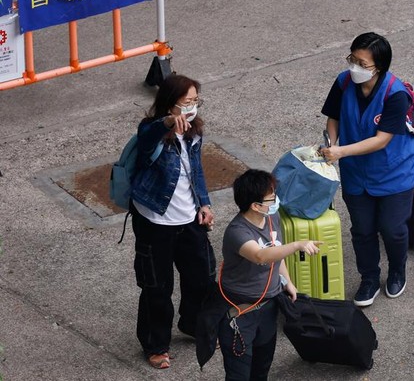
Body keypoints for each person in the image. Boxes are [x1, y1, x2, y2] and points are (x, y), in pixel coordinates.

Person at [320, 32, 414, 307]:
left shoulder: (396, 94)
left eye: (362, 64)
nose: (355, 68)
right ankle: (369, 278)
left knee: (393, 228)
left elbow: (382, 139)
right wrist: (331, 142)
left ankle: (397, 270)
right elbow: (334, 117)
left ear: (380, 67)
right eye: (353, 59)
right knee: (362, 229)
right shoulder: (343, 82)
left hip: (394, 172)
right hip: (356, 172)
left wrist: (340, 152)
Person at [195, 169, 321, 380]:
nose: (276, 200)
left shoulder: (272, 217)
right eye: (271, 197)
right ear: (255, 205)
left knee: (262, 368)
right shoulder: (237, 232)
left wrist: (287, 281)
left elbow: (275, 252)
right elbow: (261, 255)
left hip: (268, 307)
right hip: (240, 312)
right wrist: (298, 244)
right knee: (239, 374)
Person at [130, 73, 217, 369]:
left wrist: (204, 203)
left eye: (196, 101)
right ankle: (156, 344)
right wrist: (166, 123)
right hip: (155, 220)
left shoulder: (195, 131)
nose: (192, 108)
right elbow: (146, 140)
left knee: (201, 277)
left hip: (189, 218)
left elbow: (197, 171)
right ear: (169, 104)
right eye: (186, 102)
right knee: (157, 286)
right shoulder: (152, 130)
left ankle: (192, 323)